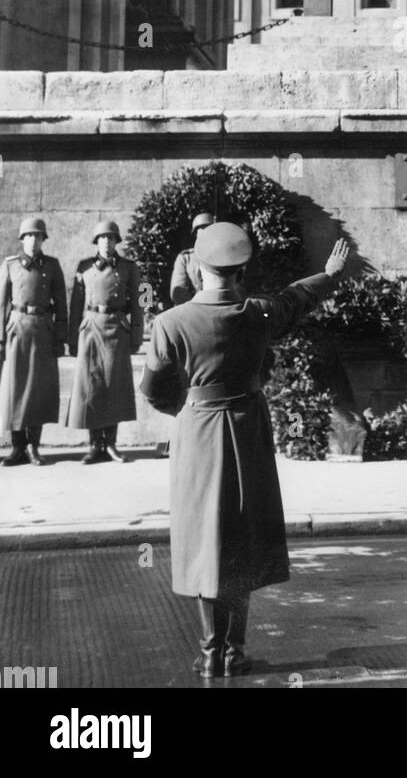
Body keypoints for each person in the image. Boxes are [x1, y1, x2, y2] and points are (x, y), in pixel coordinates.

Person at [140, 223, 351, 679]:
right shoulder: (258, 313)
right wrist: (330, 274)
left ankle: (210, 650)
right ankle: (235, 650)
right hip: (248, 430)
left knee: (204, 537)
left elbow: (155, 391)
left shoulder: (170, 323)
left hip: (197, 432)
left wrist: (190, 407)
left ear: (198, 266)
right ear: (241, 269)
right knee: (241, 535)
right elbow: (296, 299)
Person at [67, 220, 143, 464]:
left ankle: (111, 443)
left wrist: (137, 334)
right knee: (92, 387)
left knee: (115, 386)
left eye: (111, 238)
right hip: (90, 328)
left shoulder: (130, 267)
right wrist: (71, 339)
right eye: (102, 238)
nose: (107, 242)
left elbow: (144, 299)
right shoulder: (84, 268)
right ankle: (94, 444)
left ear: (116, 241)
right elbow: (75, 305)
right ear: (96, 241)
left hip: (117, 329)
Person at [0, 217, 68, 466]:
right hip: (17, 330)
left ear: (43, 240)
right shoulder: (10, 265)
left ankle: (34, 447)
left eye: (38, 236)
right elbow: (1, 304)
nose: (33, 240)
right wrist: (0, 339)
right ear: (22, 239)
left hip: (42, 330)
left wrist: (61, 337)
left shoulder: (51, 266)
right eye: (29, 236)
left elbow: (61, 303)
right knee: (15, 389)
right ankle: (17, 447)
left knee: (38, 390)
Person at [170, 212, 215, 305]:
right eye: (201, 230)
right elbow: (178, 294)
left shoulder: (223, 255)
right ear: (196, 234)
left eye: (209, 230)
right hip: (192, 311)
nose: (205, 234)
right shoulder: (186, 258)